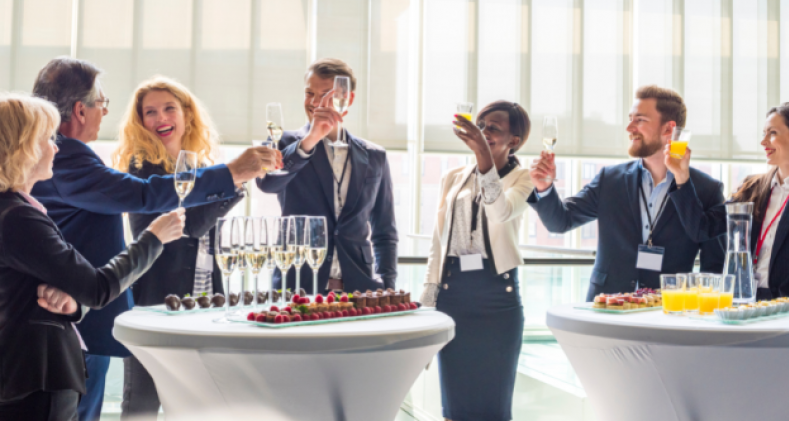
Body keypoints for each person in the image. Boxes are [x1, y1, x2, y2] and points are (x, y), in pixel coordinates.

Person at [30, 57, 278, 421]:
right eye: (102, 104)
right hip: (72, 315)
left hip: (78, 311)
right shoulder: (67, 157)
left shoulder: (64, 156)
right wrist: (233, 172)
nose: (104, 112)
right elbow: (147, 195)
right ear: (81, 111)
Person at [0, 93, 185, 421]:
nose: (57, 147)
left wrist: (73, 302)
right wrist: (153, 240)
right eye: (47, 139)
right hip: (34, 378)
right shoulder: (18, 218)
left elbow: (49, 291)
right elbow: (98, 288)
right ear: (23, 147)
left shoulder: (18, 211)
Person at [112, 77, 254, 419]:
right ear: (140, 121)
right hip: (156, 300)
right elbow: (187, 228)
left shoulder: (204, 171)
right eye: (150, 112)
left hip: (203, 300)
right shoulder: (141, 172)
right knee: (142, 404)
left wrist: (230, 181)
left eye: (169, 108)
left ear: (186, 115)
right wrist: (234, 183)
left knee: (198, 402)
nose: (161, 118)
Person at [528, 85, 726, 301]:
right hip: (607, 306)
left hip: (667, 314)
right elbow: (560, 221)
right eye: (630, 118)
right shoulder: (610, 180)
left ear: (668, 129)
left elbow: (714, 269)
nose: (629, 127)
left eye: (639, 120)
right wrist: (544, 187)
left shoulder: (707, 190)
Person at [420, 101, 533, 421]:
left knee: (493, 404)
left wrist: (484, 157)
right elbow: (437, 241)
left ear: (514, 140)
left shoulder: (524, 178)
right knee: (454, 403)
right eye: (480, 126)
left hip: (497, 298)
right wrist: (429, 296)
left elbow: (500, 212)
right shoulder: (452, 176)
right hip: (453, 293)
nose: (483, 133)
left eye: (493, 128)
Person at [257, 58, 398, 294]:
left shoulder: (375, 156)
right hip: (297, 287)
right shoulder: (282, 143)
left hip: (360, 290)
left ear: (348, 99)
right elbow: (267, 183)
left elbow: (385, 231)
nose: (314, 102)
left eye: (325, 95)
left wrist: (387, 284)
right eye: (309, 93)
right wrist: (309, 141)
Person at [667, 103, 789, 300]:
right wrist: (681, 174)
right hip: (747, 301)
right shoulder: (753, 188)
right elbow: (701, 228)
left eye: (772, 133)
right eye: (763, 133)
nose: (763, 141)